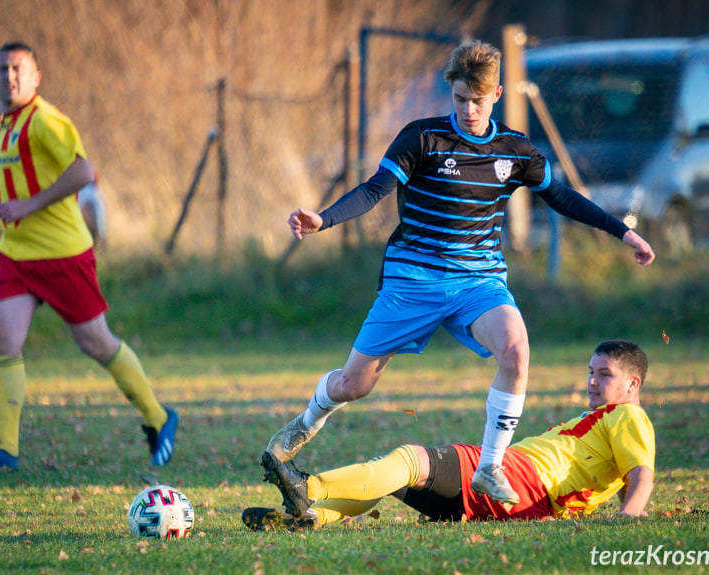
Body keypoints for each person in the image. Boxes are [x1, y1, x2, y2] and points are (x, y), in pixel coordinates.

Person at [266, 40, 656, 505]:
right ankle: (308, 420)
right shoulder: (422, 139)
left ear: (497, 94)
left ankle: (490, 466)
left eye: (477, 100)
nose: (468, 109)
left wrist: (622, 231)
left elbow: (562, 196)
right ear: (450, 94)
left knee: (515, 349)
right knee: (355, 385)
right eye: (459, 99)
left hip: (478, 282)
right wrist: (323, 219)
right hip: (412, 281)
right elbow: (375, 190)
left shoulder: (515, 150)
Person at [0, 42, 177, 470]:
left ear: (36, 77)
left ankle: (160, 416)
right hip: (15, 254)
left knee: (95, 342)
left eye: (18, 69)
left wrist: (28, 205)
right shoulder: (1, 124)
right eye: (2, 69)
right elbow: (16, 181)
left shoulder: (46, 120)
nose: (10, 76)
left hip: (62, 254)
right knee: (2, 339)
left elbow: (83, 171)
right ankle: (6, 446)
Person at [245, 340, 655, 530]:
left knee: (408, 460)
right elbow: (620, 476)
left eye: (604, 375)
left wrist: (627, 520)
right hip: (523, 493)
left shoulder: (628, 416)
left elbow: (640, 476)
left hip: (523, 480)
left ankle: (307, 486)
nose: (592, 381)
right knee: (395, 479)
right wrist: (623, 505)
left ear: (633, 384)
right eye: (590, 372)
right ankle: (310, 517)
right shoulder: (607, 419)